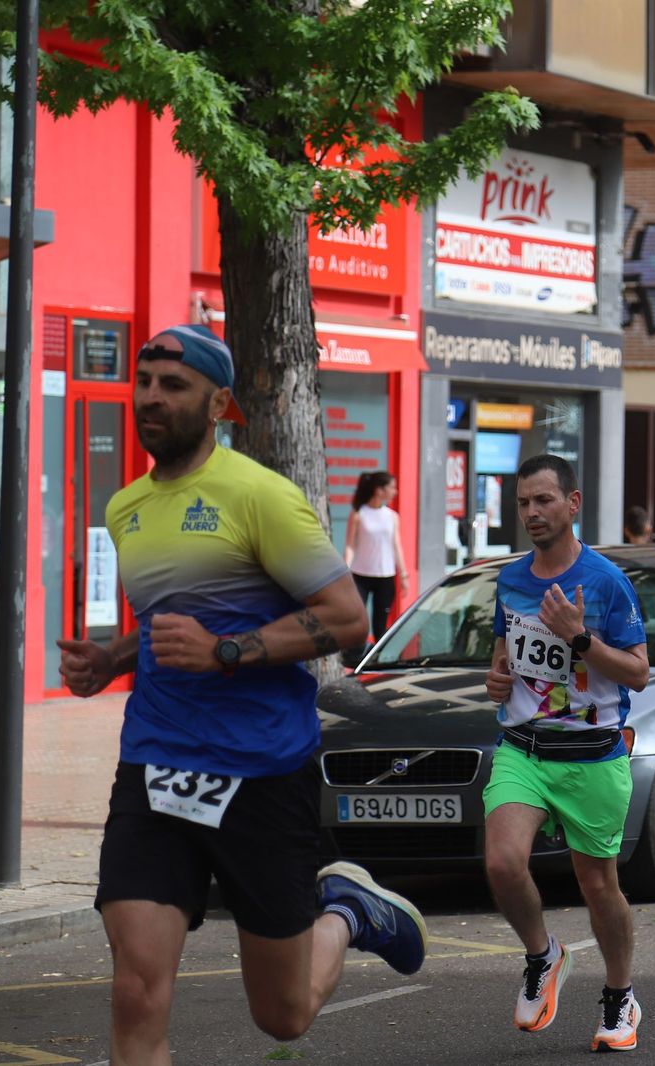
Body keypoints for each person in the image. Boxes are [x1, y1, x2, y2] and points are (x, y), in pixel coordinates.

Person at [55, 326, 428, 1066]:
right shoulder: (127, 508)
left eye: (174, 386)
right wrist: (111, 658)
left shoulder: (260, 497)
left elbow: (348, 618)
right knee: (135, 989)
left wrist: (226, 653)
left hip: (262, 771)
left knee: (283, 1016)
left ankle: (349, 910)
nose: (151, 399)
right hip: (157, 766)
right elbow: (168, 623)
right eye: (145, 382)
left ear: (219, 403)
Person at [483, 454, 651, 1053]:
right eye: (523, 502)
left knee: (598, 885)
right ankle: (543, 956)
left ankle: (619, 995)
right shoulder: (509, 580)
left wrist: (579, 637)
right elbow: (504, 658)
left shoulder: (606, 582)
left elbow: (638, 674)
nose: (531, 512)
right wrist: (496, 681)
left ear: (572, 504)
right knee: (503, 863)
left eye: (543, 500)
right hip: (524, 748)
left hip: (591, 754)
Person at [344, 470, 409, 641]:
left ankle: (377, 661)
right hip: (360, 575)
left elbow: (396, 546)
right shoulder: (359, 514)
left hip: (385, 576)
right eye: (392, 487)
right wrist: (345, 570)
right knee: (357, 619)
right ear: (379, 490)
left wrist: (403, 574)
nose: (395, 491)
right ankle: (355, 656)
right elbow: (350, 545)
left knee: (380, 624)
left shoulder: (392, 517)